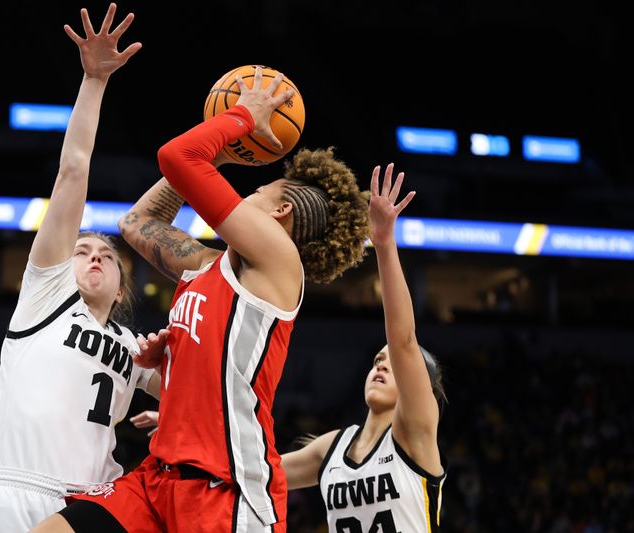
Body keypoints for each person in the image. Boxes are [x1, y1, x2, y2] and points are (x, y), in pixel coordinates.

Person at [33, 67, 371, 532]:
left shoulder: (280, 261)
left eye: (257, 191)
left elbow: (178, 156)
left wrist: (240, 118)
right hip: (161, 477)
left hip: (226, 489)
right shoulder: (211, 265)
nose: (245, 194)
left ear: (280, 211)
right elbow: (137, 223)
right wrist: (173, 368)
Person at [0, 5, 160, 532]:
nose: (95, 254)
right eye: (82, 250)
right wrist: (94, 81)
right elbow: (73, 171)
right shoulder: (44, 297)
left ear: (124, 285)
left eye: (107, 254)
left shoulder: (133, 347)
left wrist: (173, 413)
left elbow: (199, 396)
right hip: (19, 491)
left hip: (94, 505)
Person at [280, 165, 447, 532]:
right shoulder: (332, 448)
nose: (382, 365)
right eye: (377, 360)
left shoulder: (416, 431)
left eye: (395, 364)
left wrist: (384, 244)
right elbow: (256, 473)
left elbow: (402, 340)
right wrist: (199, 431)